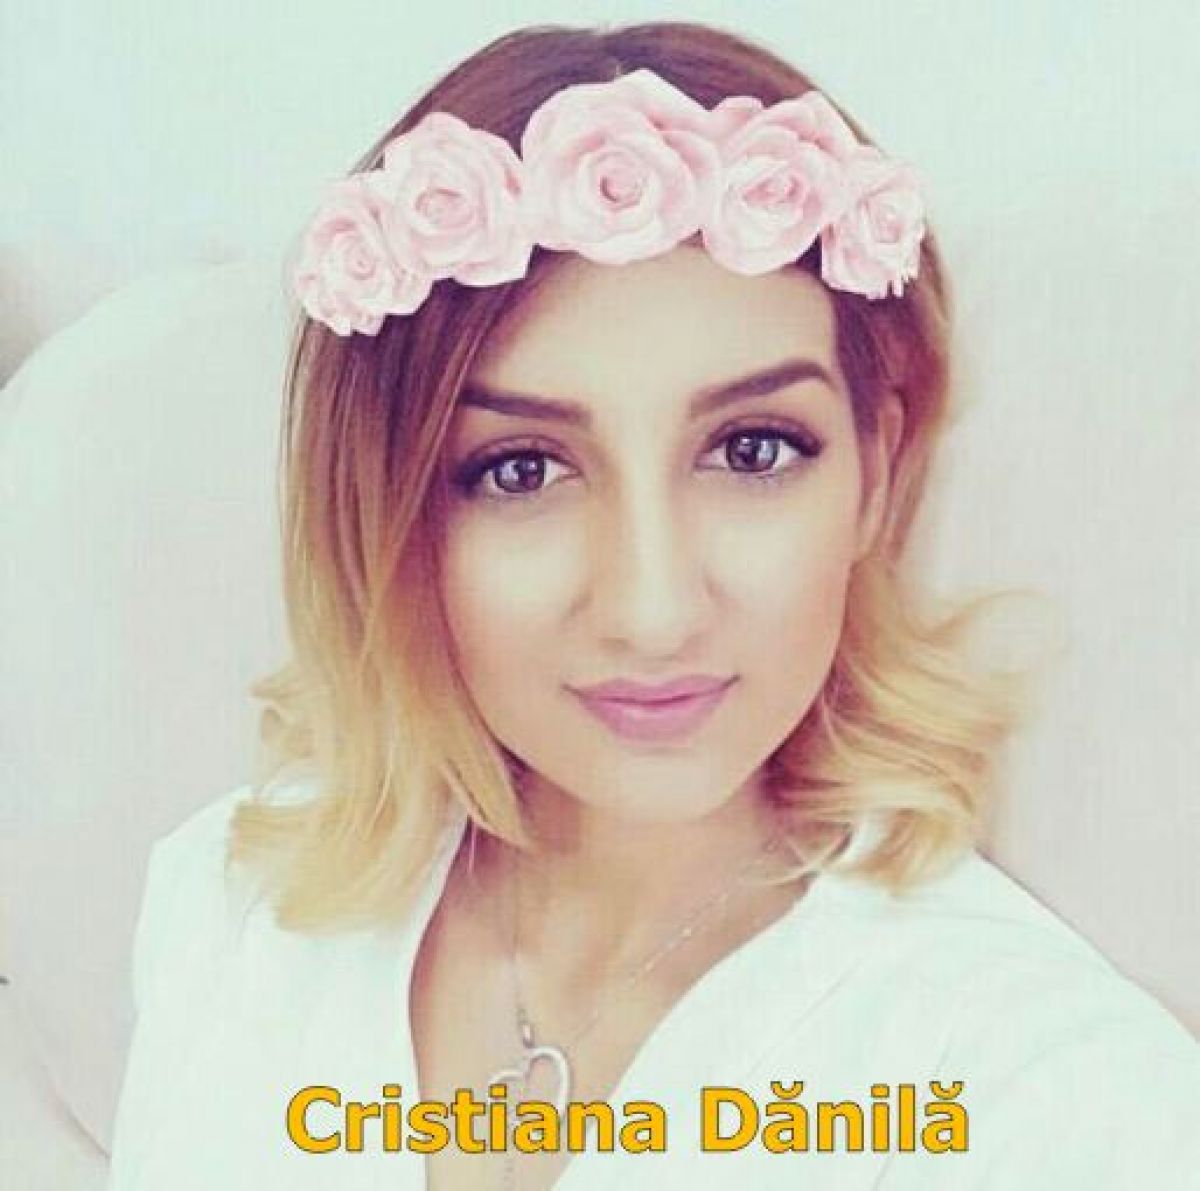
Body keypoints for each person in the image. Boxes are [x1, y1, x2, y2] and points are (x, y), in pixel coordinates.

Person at [106, 19, 1199, 1191]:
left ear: (876, 473)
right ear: (390, 515)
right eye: (521, 469)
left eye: (753, 450)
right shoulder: (228, 912)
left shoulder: (1048, 1094)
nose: (653, 608)